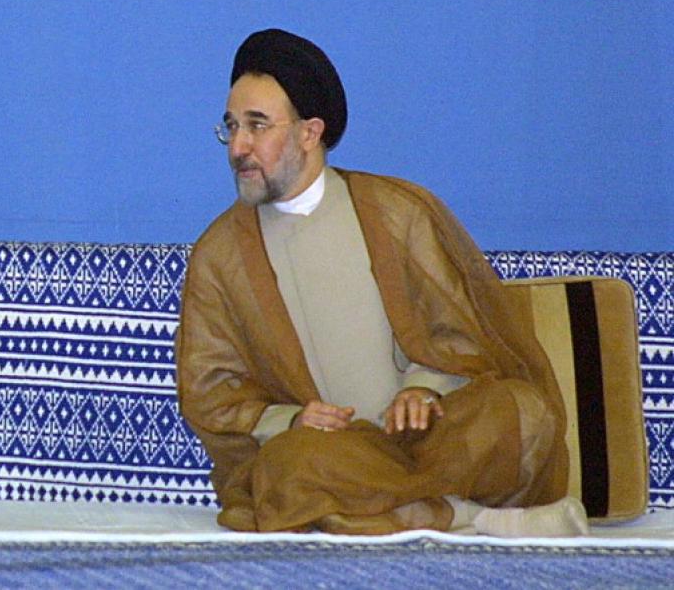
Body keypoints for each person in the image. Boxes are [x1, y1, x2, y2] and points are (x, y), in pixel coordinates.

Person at [176, 28, 588, 537]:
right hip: (330, 451)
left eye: (257, 125)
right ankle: (473, 517)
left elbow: (460, 338)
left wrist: (424, 390)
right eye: (231, 126)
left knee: (522, 413)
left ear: (310, 133)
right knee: (290, 471)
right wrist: (291, 420)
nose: (238, 146)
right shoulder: (220, 255)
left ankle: (390, 508)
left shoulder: (397, 212)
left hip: (430, 439)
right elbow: (210, 392)